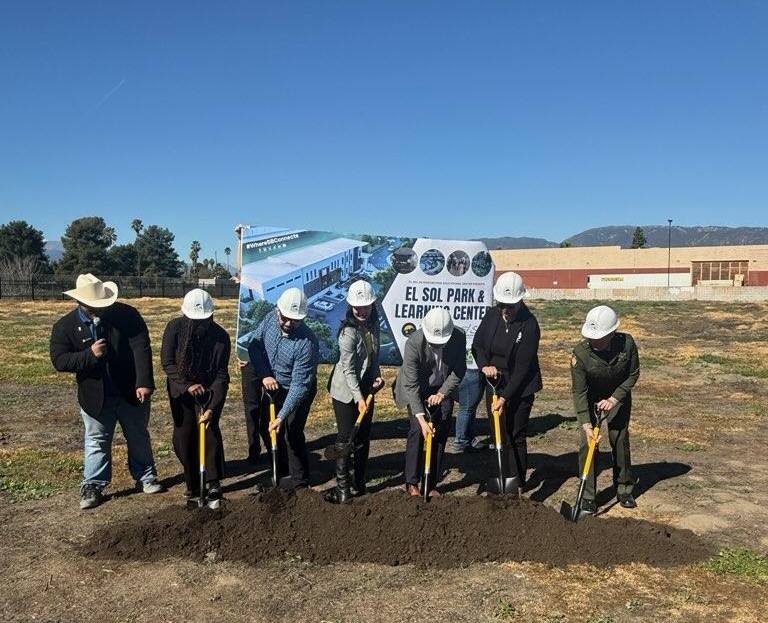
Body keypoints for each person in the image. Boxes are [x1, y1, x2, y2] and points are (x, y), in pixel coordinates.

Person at [49, 273, 163, 510]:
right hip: (95, 396)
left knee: (138, 435)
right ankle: (93, 485)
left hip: (130, 390)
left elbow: (141, 347)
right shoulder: (65, 326)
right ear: (81, 303)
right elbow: (59, 360)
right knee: (97, 441)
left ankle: (146, 476)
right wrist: (89, 355)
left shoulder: (127, 315)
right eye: (94, 307)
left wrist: (144, 382)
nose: (100, 310)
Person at [472, 271, 542, 494]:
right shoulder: (492, 316)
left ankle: (517, 481)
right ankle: (500, 476)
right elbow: (478, 345)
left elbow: (522, 368)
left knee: (515, 434)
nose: (506, 309)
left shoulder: (529, 326)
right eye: (503, 304)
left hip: (519, 388)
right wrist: (484, 366)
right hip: (495, 382)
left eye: (511, 305)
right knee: (498, 433)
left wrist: (505, 398)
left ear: (521, 300)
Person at [161, 289, 230, 507]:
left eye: (205, 320)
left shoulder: (221, 337)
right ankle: (191, 480)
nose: (200, 325)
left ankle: (213, 480)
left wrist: (212, 406)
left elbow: (221, 375)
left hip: (209, 391)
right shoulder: (174, 329)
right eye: (195, 320)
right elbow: (168, 363)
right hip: (181, 389)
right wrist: (187, 385)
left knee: (209, 431)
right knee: (184, 434)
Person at [570, 305, 640, 513]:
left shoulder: (627, 345)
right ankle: (589, 496)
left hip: (618, 396)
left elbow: (633, 374)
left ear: (611, 333)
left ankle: (624, 489)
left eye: (598, 337)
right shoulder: (581, 354)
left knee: (619, 439)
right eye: (591, 337)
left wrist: (615, 398)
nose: (593, 341)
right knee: (588, 444)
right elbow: (579, 391)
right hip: (592, 399)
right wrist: (585, 424)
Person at [248, 288, 319, 490]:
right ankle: (280, 472)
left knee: (291, 431)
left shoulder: (307, 343)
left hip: (298, 390)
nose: (289, 324)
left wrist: (281, 416)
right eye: (286, 318)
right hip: (273, 385)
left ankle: (299, 481)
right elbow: (254, 345)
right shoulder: (270, 319)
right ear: (278, 311)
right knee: (266, 427)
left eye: (295, 320)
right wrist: (265, 374)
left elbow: (299, 386)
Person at [394, 307, 466, 497]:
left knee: (440, 431)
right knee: (418, 430)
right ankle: (411, 482)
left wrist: (442, 394)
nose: (437, 345)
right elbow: (411, 384)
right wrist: (422, 418)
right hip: (417, 387)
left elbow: (459, 370)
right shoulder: (414, 343)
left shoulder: (459, 337)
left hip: (443, 387)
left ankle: (431, 483)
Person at [325, 280, 385, 504]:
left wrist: (376, 375)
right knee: (345, 438)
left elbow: (373, 355)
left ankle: (360, 482)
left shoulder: (373, 324)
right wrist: (359, 398)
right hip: (345, 392)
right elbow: (349, 370)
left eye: (366, 307)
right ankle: (343, 488)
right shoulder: (347, 333)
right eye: (357, 307)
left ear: (372, 306)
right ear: (350, 306)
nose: (361, 311)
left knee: (363, 438)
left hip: (366, 386)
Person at [452, 367, 483, 453]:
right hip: (470, 370)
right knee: (467, 408)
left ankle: (468, 438)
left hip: (472, 369)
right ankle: (461, 441)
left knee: (471, 407)